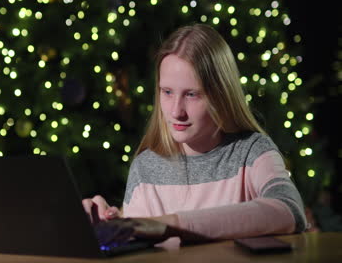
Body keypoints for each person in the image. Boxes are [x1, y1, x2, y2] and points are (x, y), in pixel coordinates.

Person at [82, 24, 307, 246]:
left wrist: (170, 225)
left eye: (192, 94)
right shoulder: (145, 169)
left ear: (222, 95)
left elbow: (290, 210)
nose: (176, 112)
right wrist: (111, 225)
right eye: (167, 92)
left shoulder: (252, 152)